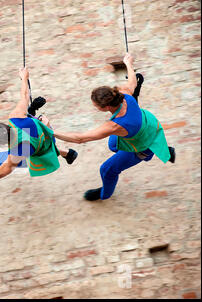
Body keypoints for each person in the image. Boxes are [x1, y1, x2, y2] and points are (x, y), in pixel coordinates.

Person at [52, 53, 175, 201]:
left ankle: (104, 194)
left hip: (143, 144)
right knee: (112, 144)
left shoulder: (115, 126)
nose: (95, 107)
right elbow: (133, 82)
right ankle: (161, 148)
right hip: (149, 124)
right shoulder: (124, 93)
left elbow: (80, 139)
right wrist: (128, 63)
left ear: (106, 107)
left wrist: (51, 132)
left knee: (107, 169)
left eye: (96, 105)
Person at [0, 67, 78, 200]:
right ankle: (68, 153)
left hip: (39, 152)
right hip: (47, 138)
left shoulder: (18, 152)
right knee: (19, 150)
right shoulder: (16, 117)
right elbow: (24, 96)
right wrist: (24, 78)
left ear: (2, 144)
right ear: (5, 126)